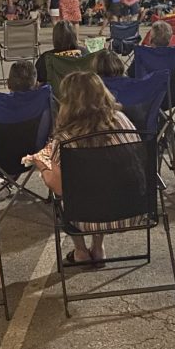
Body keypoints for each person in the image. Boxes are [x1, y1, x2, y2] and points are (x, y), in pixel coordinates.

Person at [28, 71, 139, 266]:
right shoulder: (122, 120)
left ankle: (80, 251)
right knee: (103, 181)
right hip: (133, 208)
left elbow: (59, 187)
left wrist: (42, 164)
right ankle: (98, 247)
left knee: (74, 193)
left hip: (86, 215)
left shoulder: (67, 138)